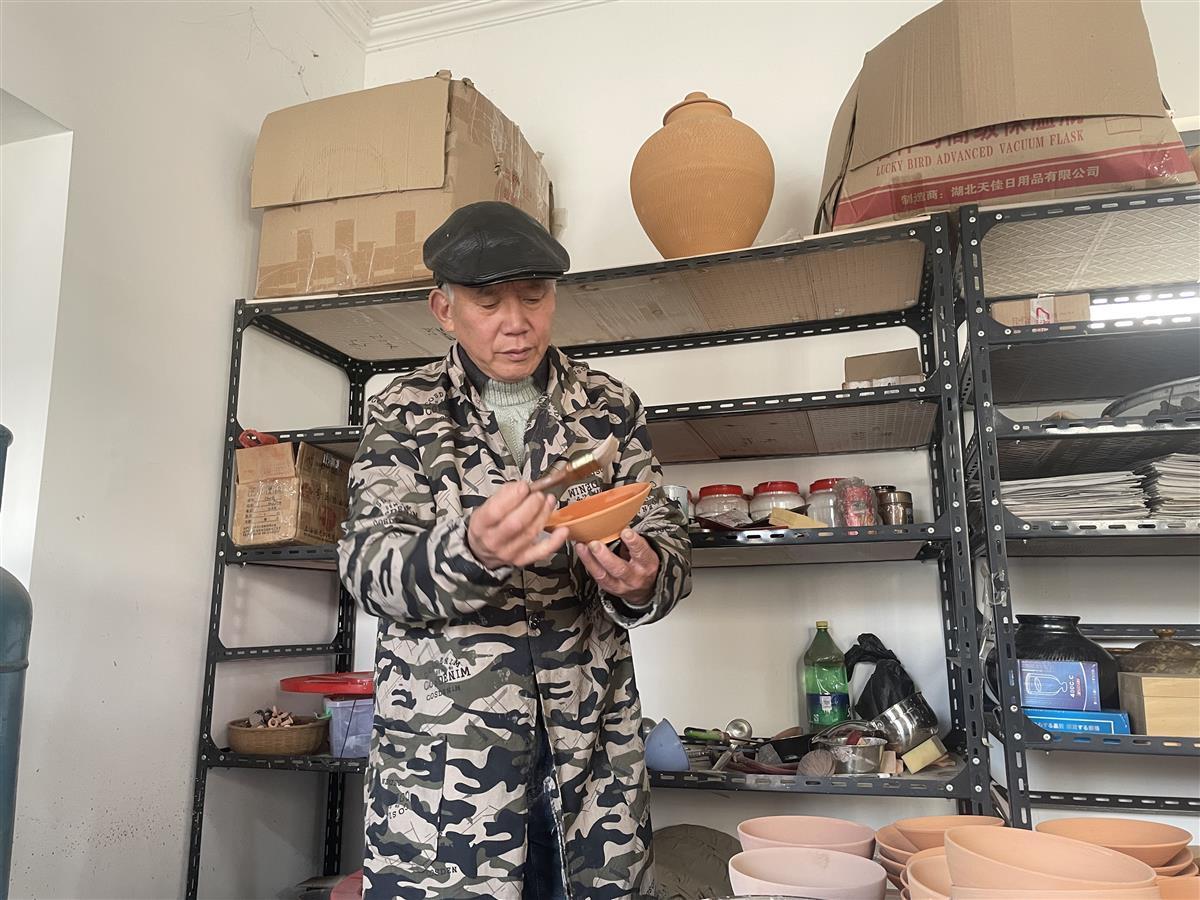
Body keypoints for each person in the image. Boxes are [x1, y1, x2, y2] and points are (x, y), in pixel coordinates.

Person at [338, 201, 692, 900]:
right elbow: (367, 567)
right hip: (447, 775)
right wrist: (469, 550)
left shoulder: (608, 406)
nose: (516, 322)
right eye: (488, 302)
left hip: (590, 762)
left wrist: (647, 575)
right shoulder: (403, 410)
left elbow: (665, 534)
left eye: (534, 297)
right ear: (444, 309)